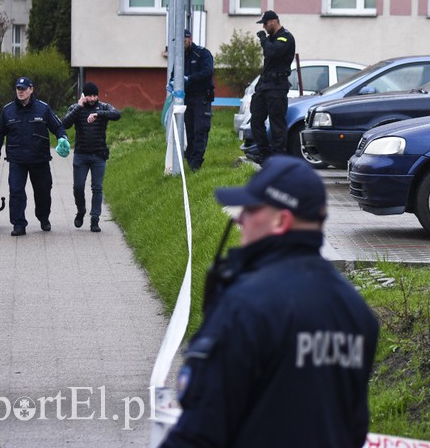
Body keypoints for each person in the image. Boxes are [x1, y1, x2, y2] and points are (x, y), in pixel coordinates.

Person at [162, 155, 379, 447]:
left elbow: (201, 430)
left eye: (251, 209)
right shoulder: (355, 312)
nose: (240, 218)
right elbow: (353, 427)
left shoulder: (245, 305)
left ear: (281, 221)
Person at [0, 77, 69, 236]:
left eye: (24, 89)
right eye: (18, 88)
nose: (20, 91)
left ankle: (43, 218)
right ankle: (19, 224)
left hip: (39, 159)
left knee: (43, 192)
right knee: (16, 191)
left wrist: (63, 138)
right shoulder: (8, 110)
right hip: (17, 160)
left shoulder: (43, 109)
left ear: (31, 89)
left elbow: (58, 127)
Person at [62, 82, 121, 233]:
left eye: (95, 95)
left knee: (97, 188)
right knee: (78, 187)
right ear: (84, 95)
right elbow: (65, 124)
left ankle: (95, 219)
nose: (92, 98)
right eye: (89, 95)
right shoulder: (76, 108)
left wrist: (98, 114)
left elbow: (117, 114)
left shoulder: (103, 107)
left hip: (98, 155)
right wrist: (79, 107)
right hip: (81, 155)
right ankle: (81, 210)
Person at [249, 10, 295, 163]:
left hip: (277, 87)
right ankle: (264, 153)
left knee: (277, 124)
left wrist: (263, 39)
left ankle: (278, 157)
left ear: (274, 21)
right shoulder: (272, 38)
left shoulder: (285, 37)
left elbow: (273, 52)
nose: (263, 27)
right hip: (265, 86)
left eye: (265, 23)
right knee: (256, 119)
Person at [179, 29, 215, 171]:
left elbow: (208, 71)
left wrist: (190, 79)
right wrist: (171, 82)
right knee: (189, 130)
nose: (182, 44)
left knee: (200, 129)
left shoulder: (202, 53)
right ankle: (190, 158)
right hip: (187, 97)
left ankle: (196, 162)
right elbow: (175, 74)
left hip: (201, 97)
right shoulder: (180, 57)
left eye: (184, 40)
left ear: (190, 39)